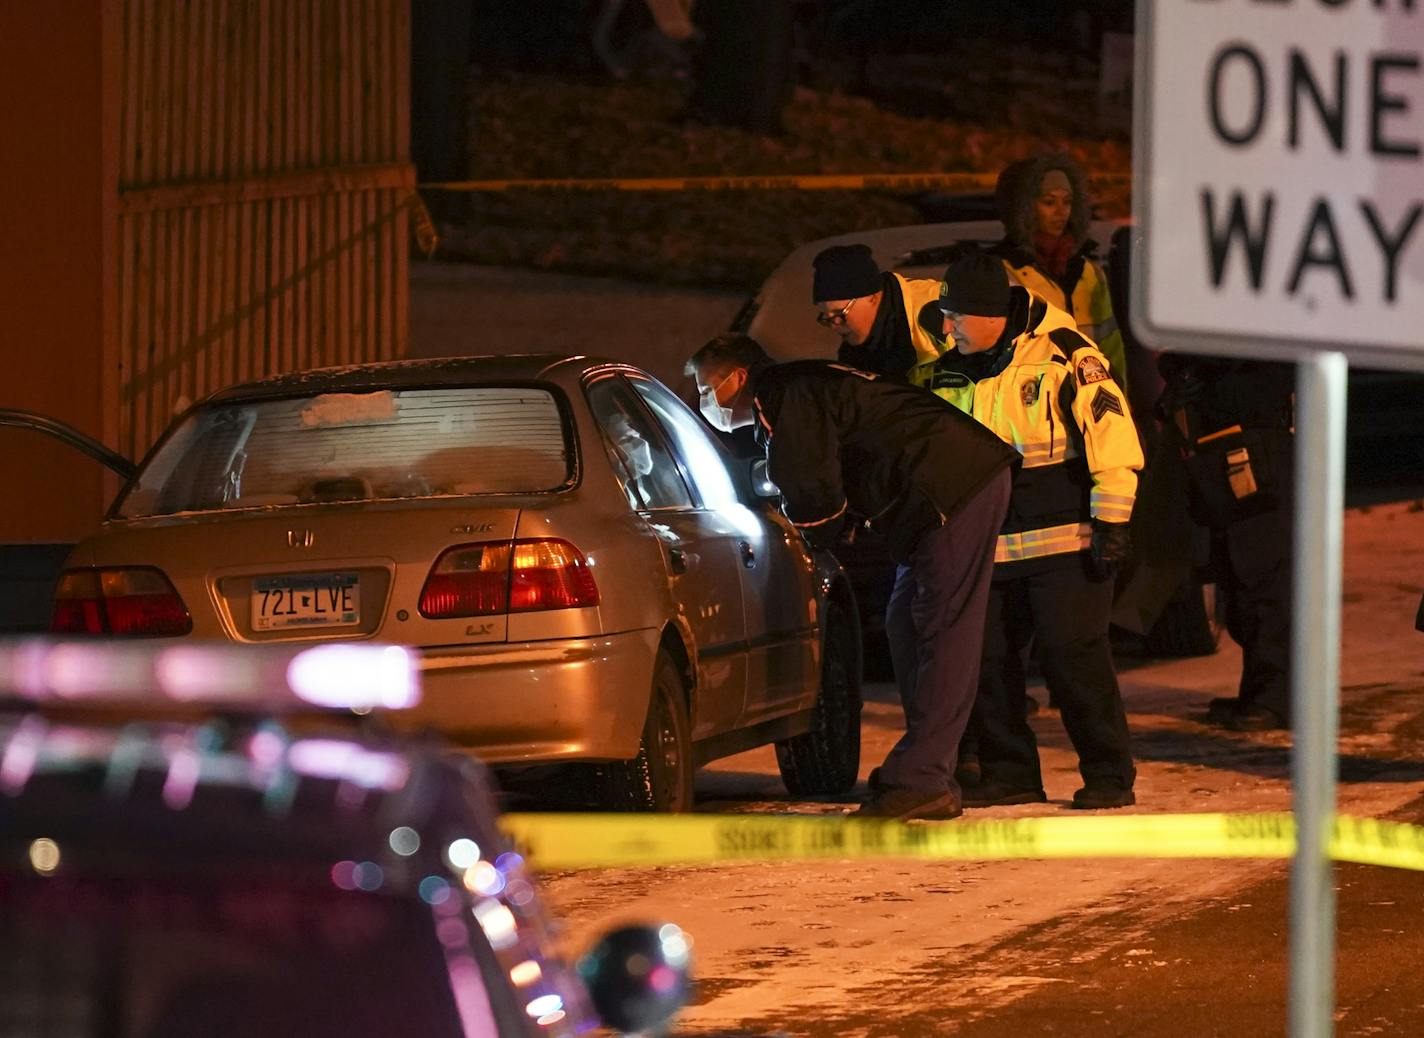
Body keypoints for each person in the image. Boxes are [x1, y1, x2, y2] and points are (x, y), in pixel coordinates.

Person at [686, 333, 1018, 821]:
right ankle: (931, 771)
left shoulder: (782, 393)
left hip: (949, 488)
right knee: (907, 622)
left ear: (736, 376)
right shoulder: (799, 385)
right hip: (942, 489)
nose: (701, 402)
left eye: (703, 388)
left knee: (944, 633)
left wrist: (811, 536)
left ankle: (922, 777)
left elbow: (811, 487)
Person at [919, 251, 1143, 809]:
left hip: (1066, 541)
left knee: (1075, 659)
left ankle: (1109, 774)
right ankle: (1010, 773)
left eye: (956, 317)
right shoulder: (946, 370)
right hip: (986, 545)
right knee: (989, 662)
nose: (947, 328)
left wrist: (1112, 521)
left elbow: (1111, 435)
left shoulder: (1066, 356)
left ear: (992, 313)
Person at [1157, 353, 1295, 731]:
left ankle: (1276, 698)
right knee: (1240, 580)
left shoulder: (1252, 332)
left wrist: (1193, 366)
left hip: (1258, 445)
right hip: (1226, 447)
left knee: (1265, 578)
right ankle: (1260, 692)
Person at [988, 153, 1128, 388]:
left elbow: (1112, 349)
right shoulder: (1001, 274)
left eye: (1068, 201)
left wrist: (1119, 401)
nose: (1061, 212)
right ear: (1024, 208)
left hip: (1094, 407)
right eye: (1049, 202)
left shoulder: (1088, 273)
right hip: (1034, 410)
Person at [810, 243, 946, 379]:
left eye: (840, 314)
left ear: (871, 298)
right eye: (827, 318)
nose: (835, 325)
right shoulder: (853, 356)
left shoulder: (942, 307)